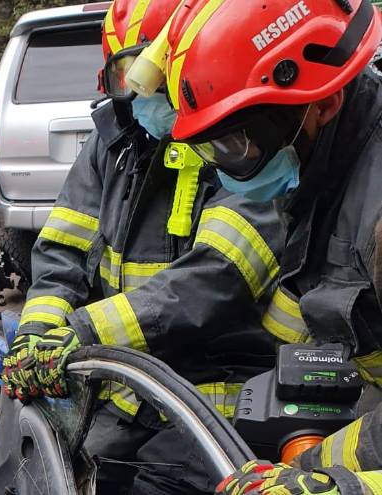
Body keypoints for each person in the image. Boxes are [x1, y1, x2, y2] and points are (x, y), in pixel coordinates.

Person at [0, 0, 284, 492]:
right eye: (126, 75)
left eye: (151, 73)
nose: (141, 93)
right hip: (128, 393)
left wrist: (84, 330)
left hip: (218, 399)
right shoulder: (115, 142)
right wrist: (37, 334)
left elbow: (217, 277)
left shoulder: (238, 138)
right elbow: (62, 255)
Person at [152, 0, 382, 493]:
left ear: (322, 103)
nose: (235, 165)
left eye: (239, 144)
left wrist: (334, 486)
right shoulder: (326, 167)